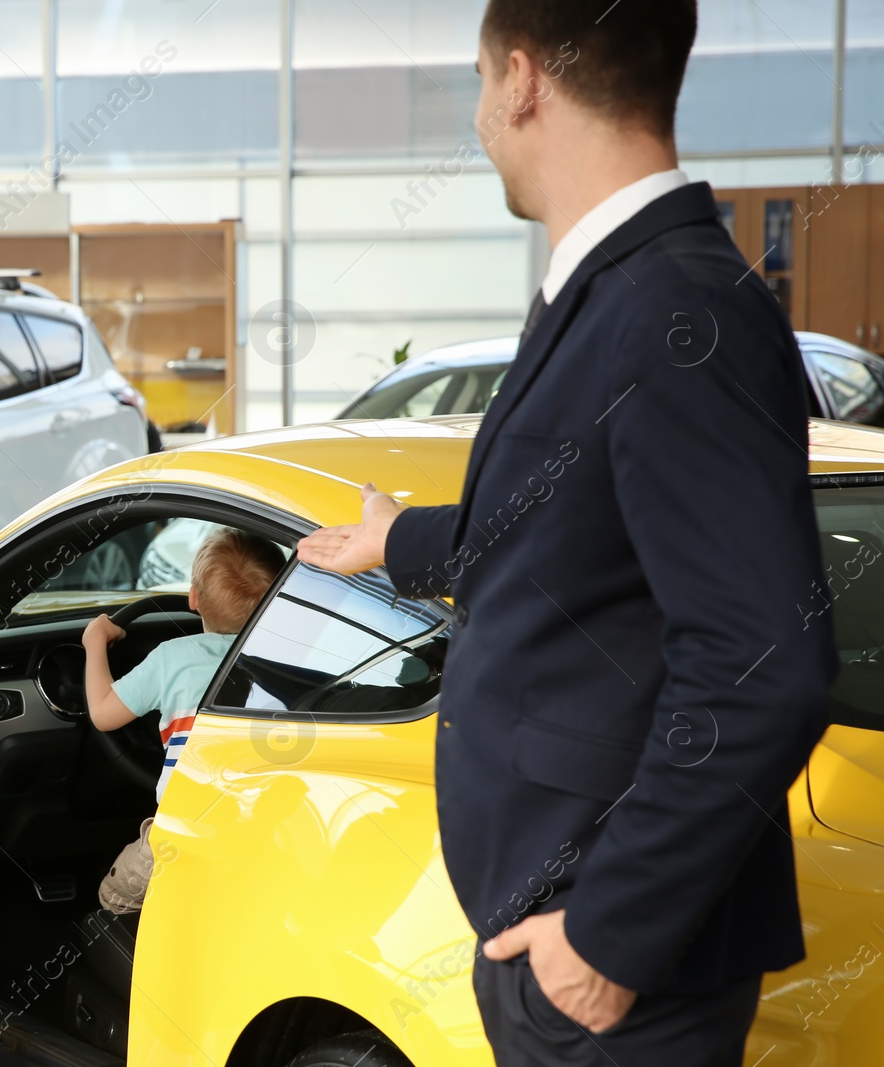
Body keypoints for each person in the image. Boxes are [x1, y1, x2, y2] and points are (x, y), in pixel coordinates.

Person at [298, 2, 836, 1063]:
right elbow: (574, 524)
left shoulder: (674, 310)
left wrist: (607, 937)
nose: (482, 116)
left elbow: (764, 666)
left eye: (479, 84)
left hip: (616, 967)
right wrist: (402, 539)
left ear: (522, 78)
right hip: (563, 938)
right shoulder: (616, 288)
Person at [83, 527, 284, 913]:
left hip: (183, 831)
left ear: (193, 598)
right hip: (263, 823)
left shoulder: (171, 656)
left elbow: (103, 712)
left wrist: (95, 640)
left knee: (114, 897)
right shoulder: (296, 664)